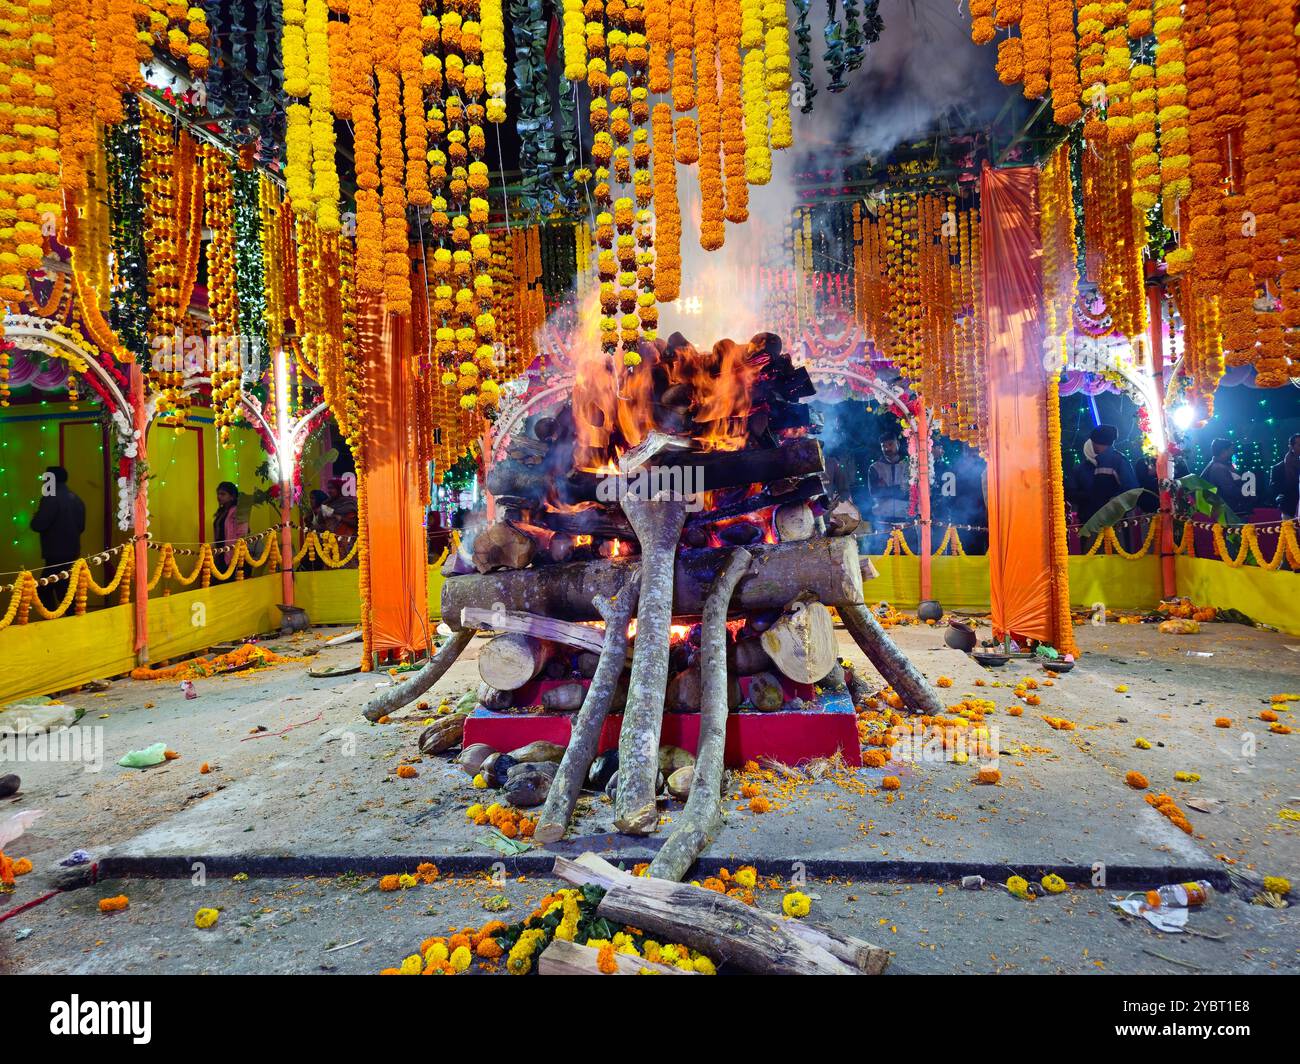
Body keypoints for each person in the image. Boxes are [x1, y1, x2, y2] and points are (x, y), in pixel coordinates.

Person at [29, 465, 85, 611]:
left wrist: (35, 517)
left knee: (45, 590)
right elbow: (81, 527)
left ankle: (54, 622)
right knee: (64, 590)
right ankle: (68, 621)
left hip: (55, 553)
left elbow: (39, 525)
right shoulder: (76, 498)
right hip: (72, 551)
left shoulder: (51, 498)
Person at [1069, 424, 1138, 525]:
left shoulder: (1116, 460)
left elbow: (1131, 490)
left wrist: (1111, 506)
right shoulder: (1102, 460)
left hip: (1113, 522)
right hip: (1097, 520)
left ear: (1097, 442)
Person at [867, 433, 911, 552]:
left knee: (907, 556)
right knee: (882, 555)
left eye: (890, 444)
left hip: (905, 519)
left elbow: (911, 492)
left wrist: (886, 490)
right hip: (882, 520)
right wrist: (899, 489)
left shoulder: (909, 465)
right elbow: (875, 493)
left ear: (898, 443)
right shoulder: (875, 467)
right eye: (883, 446)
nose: (887, 448)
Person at [1200, 437, 1249, 519]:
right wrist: (1249, 496)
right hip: (1230, 513)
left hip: (1229, 511)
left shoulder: (1221, 465)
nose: (1233, 452)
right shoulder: (1218, 468)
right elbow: (1230, 491)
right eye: (1230, 450)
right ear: (1224, 451)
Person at [212, 481, 249, 581]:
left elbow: (242, 534)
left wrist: (236, 556)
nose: (219, 496)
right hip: (220, 554)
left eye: (223, 494)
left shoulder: (239, 510)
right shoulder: (221, 512)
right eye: (218, 494)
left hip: (233, 554)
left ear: (232, 496)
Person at [1269, 433, 1300, 519]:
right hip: (1290, 510)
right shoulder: (1278, 468)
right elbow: (1274, 489)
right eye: (1299, 445)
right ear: (1291, 447)